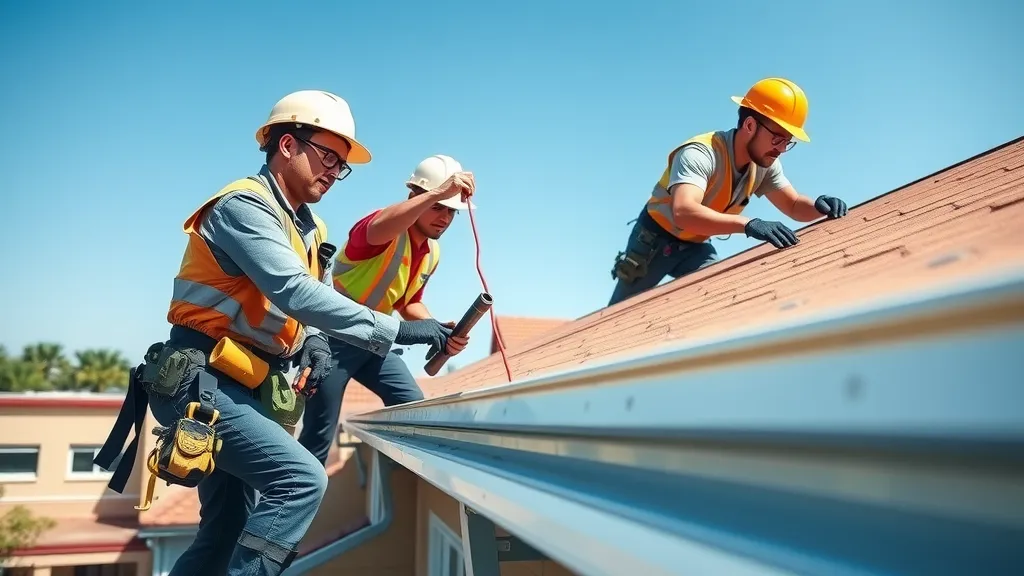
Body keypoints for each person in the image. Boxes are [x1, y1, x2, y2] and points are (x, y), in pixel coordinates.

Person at [94, 90, 470, 576]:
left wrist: (311, 342)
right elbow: (293, 290)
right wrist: (398, 329)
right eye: (328, 156)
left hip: (244, 384)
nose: (334, 172)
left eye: (342, 165)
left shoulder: (310, 230)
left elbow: (310, 301)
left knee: (224, 530)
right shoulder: (243, 207)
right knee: (302, 479)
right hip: (201, 382)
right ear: (288, 145)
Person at [608, 77, 849, 306]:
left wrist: (819, 206)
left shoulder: (765, 163)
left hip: (695, 247)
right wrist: (748, 224)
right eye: (777, 138)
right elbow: (684, 211)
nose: (782, 149)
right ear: (750, 125)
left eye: (788, 142)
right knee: (613, 320)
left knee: (721, 296)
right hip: (653, 242)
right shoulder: (700, 153)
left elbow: (794, 205)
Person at [298, 154, 474, 466]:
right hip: (333, 340)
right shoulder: (381, 230)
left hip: (375, 341)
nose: (444, 218)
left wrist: (439, 330)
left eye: (451, 211)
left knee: (414, 409)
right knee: (317, 439)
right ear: (414, 197)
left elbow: (408, 303)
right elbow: (382, 226)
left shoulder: (431, 252)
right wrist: (438, 192)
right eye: (438, 206)